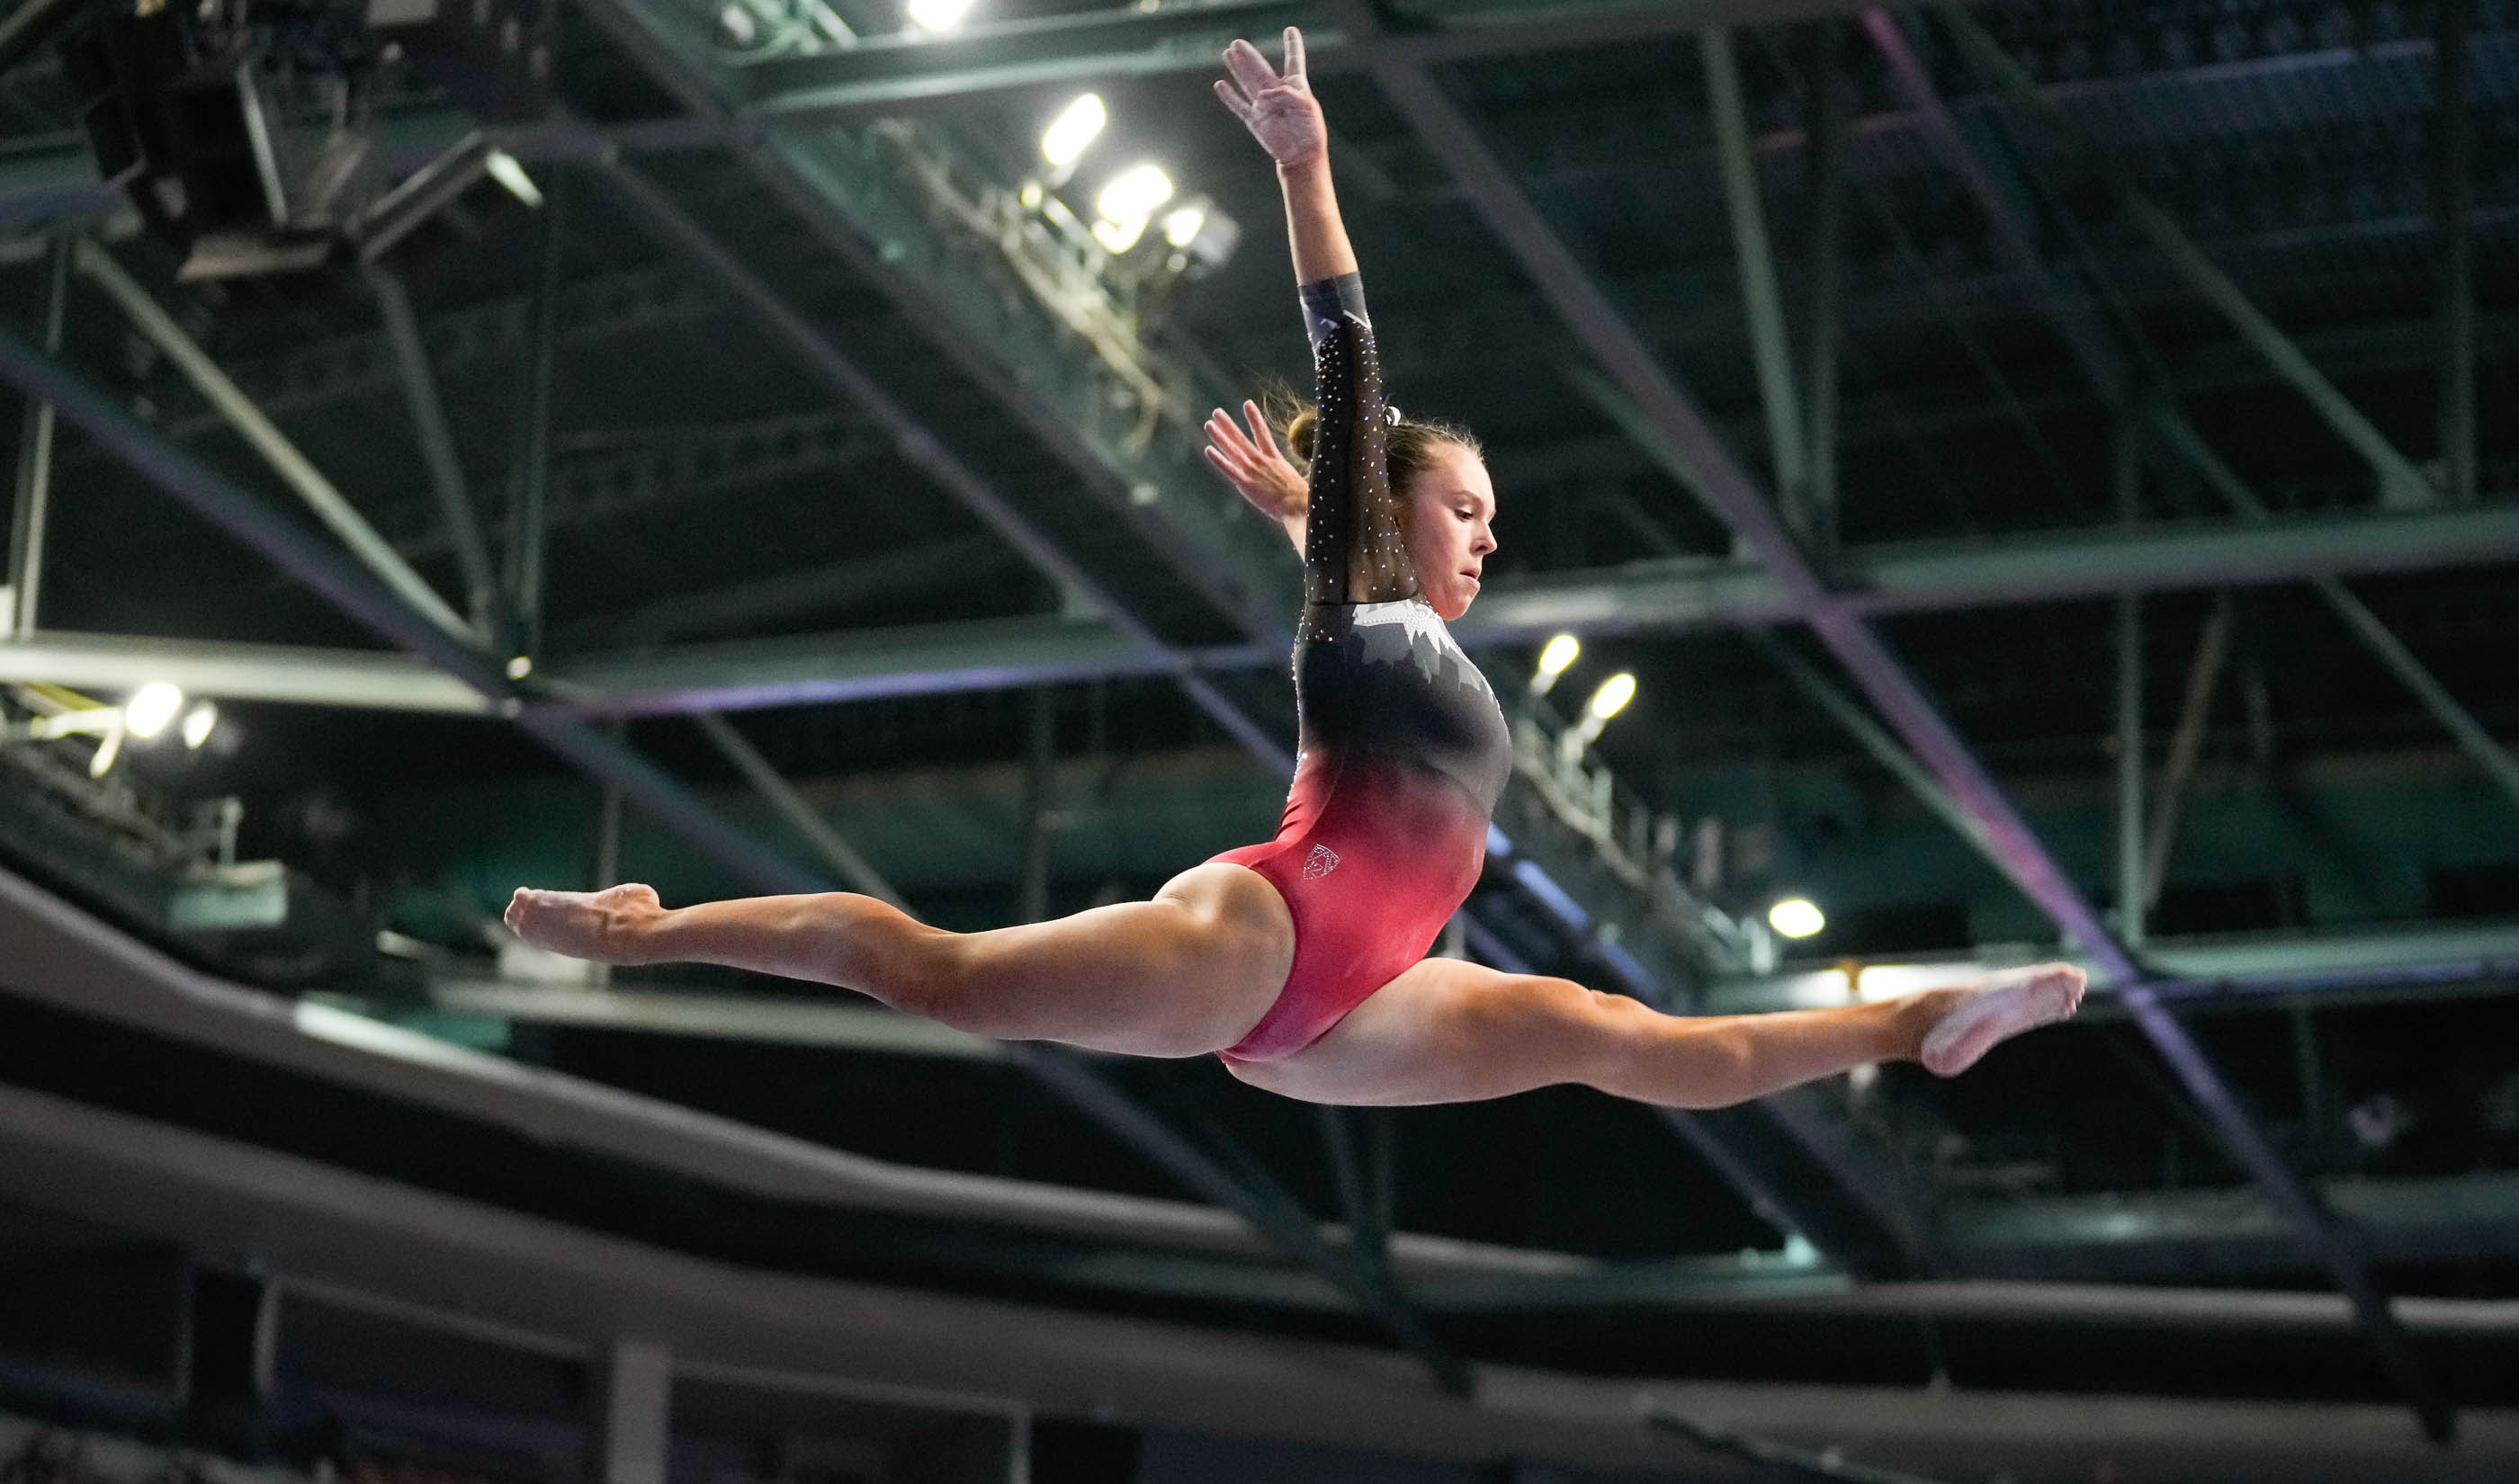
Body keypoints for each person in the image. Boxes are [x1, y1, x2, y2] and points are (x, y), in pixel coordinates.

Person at [504, 31, 2083, 1107]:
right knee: (940, 976)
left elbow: (1351, 618)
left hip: (1356, 1004)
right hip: (1256, 942)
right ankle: (642, 927)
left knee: (1619, 1034)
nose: (1489, 535)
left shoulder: (1399, 637)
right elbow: (1348, 357)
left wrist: (1293, 520)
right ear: (1394, 517)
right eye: (1467, 508)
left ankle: (1920, 1025)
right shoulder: (1371, 603)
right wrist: (1302, 163)